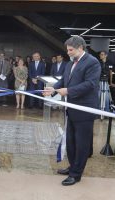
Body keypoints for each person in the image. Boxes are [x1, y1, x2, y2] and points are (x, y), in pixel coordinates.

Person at [43, 36, 100, 186]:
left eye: (71, 50)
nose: (68, 53)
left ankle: (76, 174)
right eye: (67, 50)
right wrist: (53, 89)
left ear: (80, 48)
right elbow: (64, 80)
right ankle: (72, 167)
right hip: (71, 109)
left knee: (82, 143)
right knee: (71, 141)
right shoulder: (70, 63)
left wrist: (67, 91)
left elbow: (90, 84)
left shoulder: (93, 62)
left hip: (84, 110)